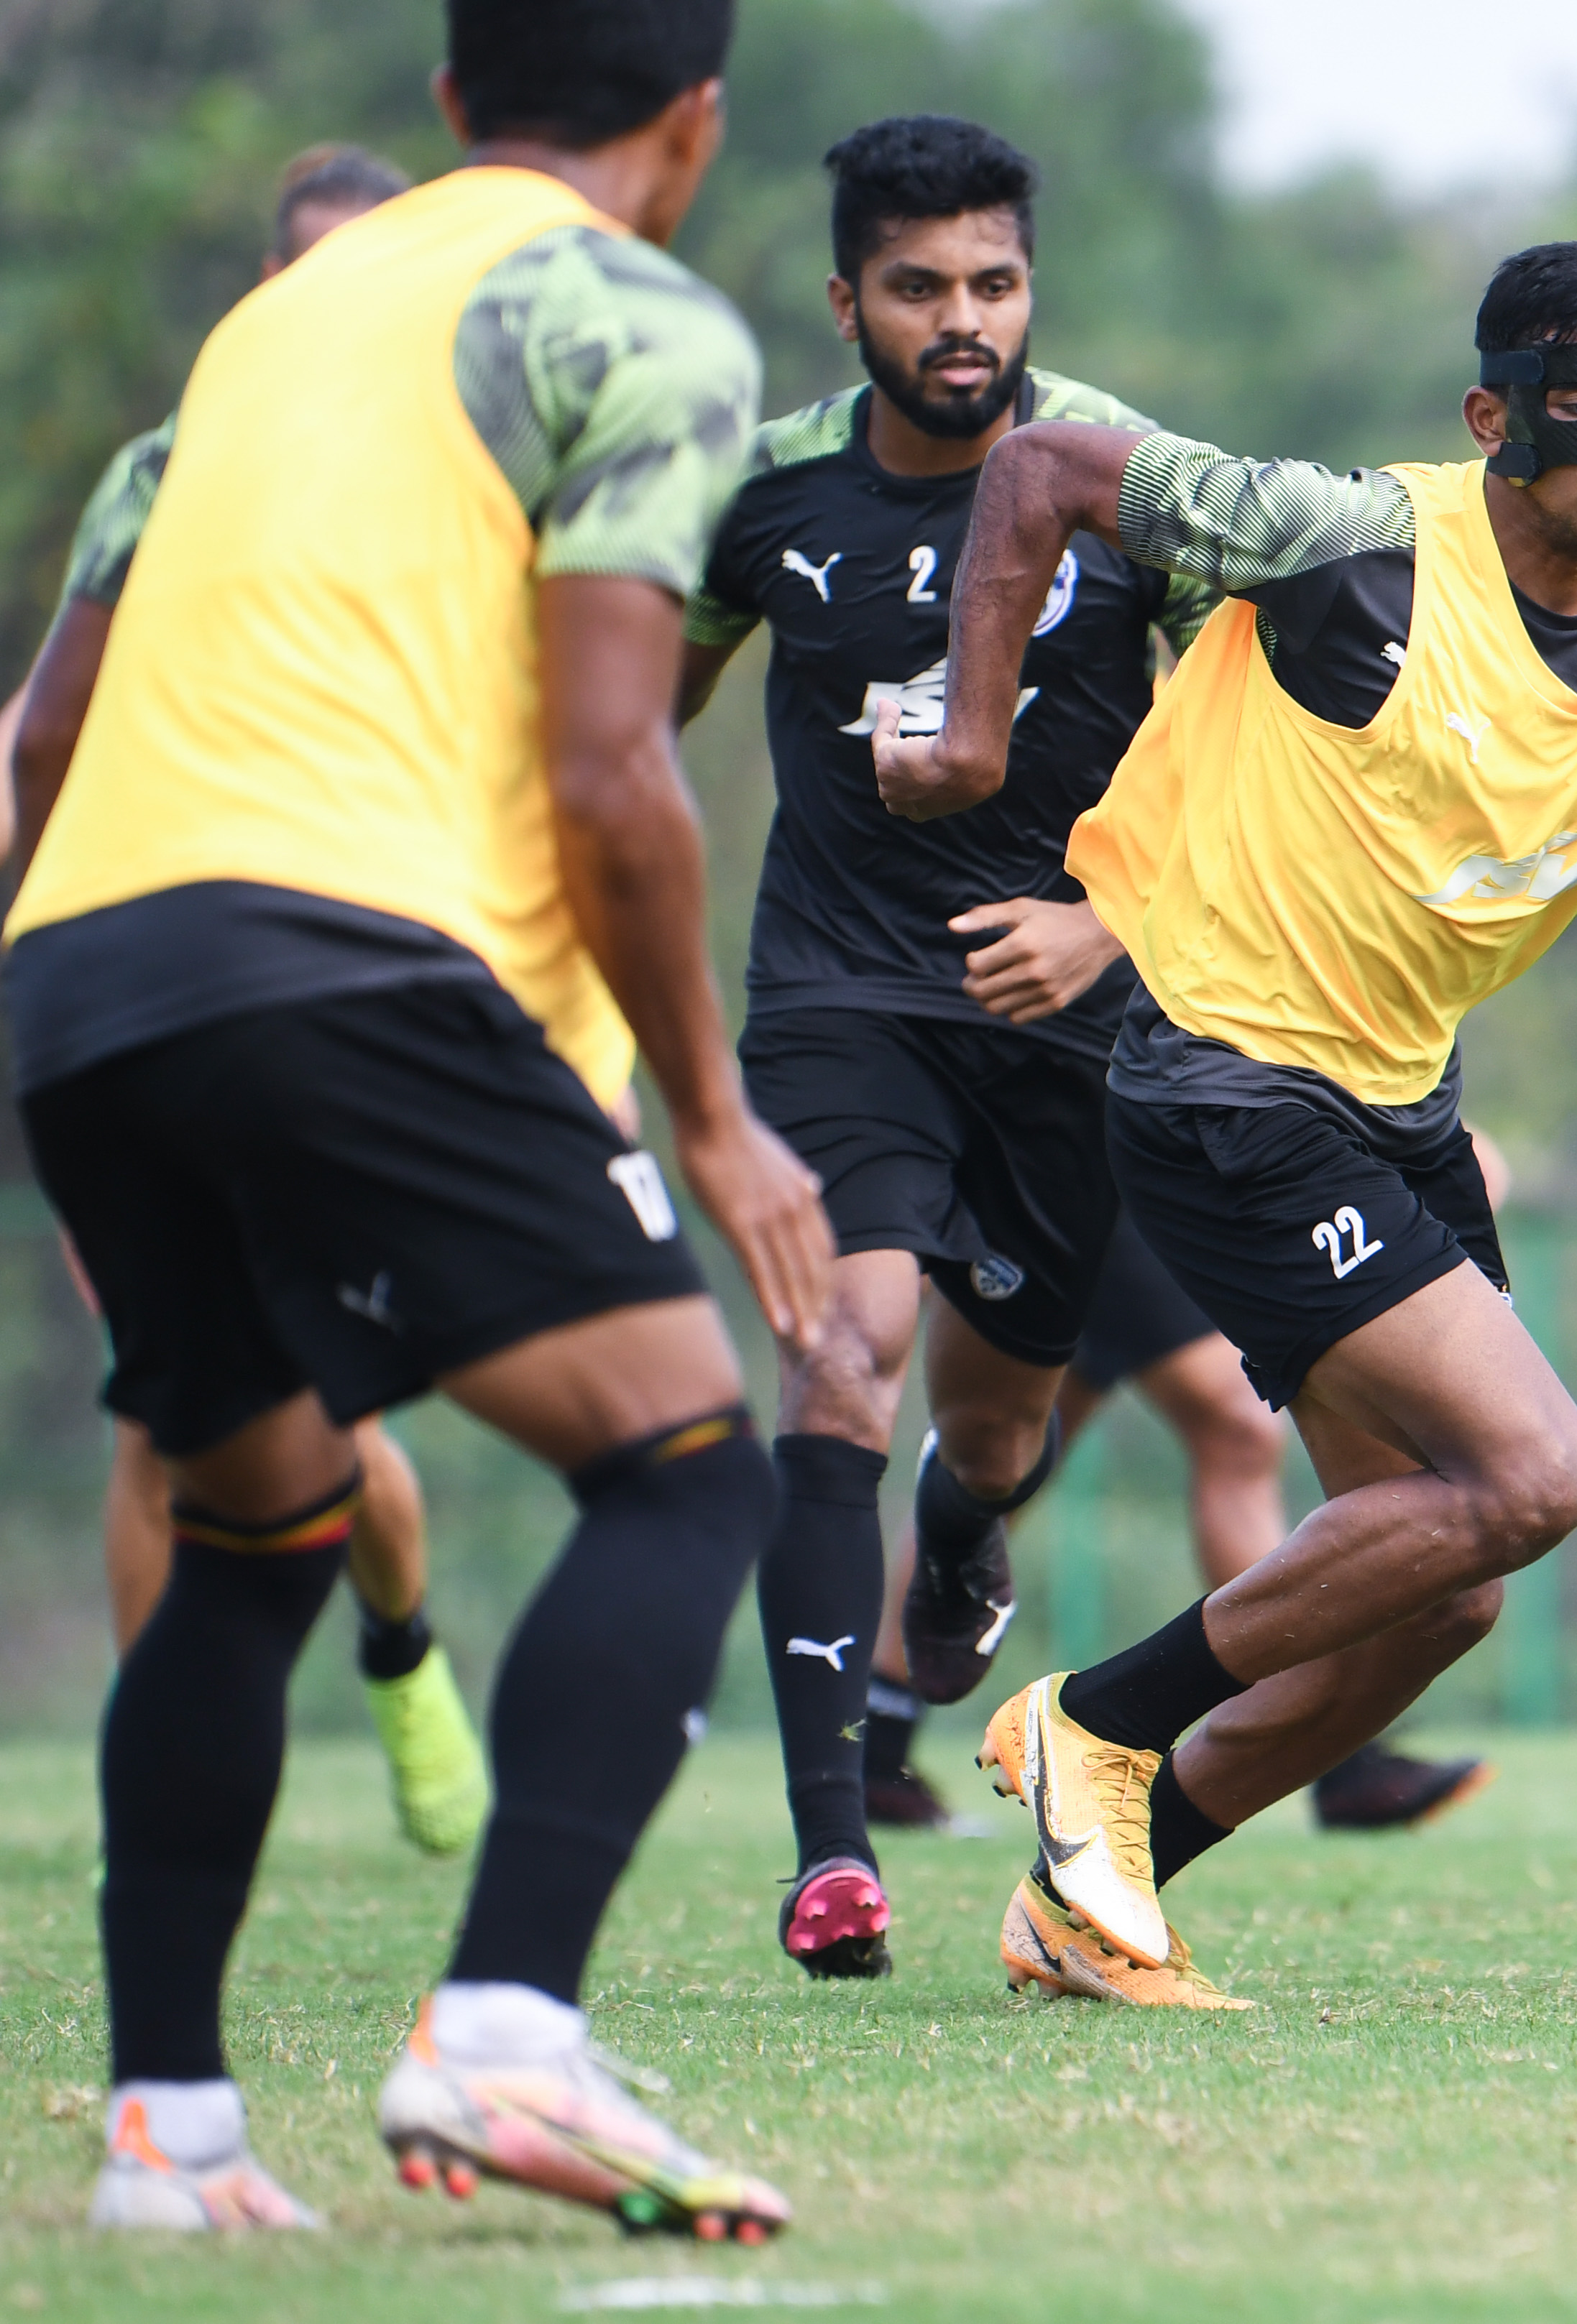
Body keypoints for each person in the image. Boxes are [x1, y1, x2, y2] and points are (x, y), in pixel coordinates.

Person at [17, 0, 832, 2234]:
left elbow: (34, 746)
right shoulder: (631, 316)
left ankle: (170, 2140)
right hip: (352, 955)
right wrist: (713, 1112)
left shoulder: (256, 346)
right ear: (697, 124)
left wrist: (81, 1052)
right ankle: (505, 2038)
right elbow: (609, 764)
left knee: (257, 1529)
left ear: (455, 103)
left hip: (87, 968)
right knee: (685, 1466)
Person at [872, 236, 1577, 2008]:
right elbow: (1038, 469)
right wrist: (966, 730)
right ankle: (1092, 1723)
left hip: (1401, 1095)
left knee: (1445, 1591)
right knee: (1539, 1475)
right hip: (1224, 1073)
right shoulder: (1349, 541)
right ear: (1494, 417)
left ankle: (1101, 1892)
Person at [673, 113, 1226, 1982]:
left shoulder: (1130, 478)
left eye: (991, 282)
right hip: (836, 998)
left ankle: (966, 1528)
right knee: (846, 1348)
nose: (959, 319)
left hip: (1065, 1021)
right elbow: (627, 725)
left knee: (989, 1426)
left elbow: (1264, 736)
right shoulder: (758, 501)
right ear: (848, 304)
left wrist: (1112, 922)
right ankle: (833, 1854)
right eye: (917, 287)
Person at [6, 144, 492, 1863]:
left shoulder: (473, 471)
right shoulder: (171, 468)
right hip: (142, 975)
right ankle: (171, 1791)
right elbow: (42, 736)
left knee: (330, 1412)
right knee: (166, 1407)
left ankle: (402, 1643)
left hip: (362, 981)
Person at [860, 1177, 1494, 1838]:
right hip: (1086, 1168)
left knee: (1002, 1460)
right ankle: (1324, 1745)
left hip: (1118, 1180)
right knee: (1230, 1427)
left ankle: (879, 1742)